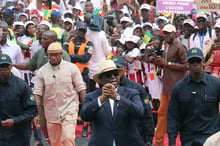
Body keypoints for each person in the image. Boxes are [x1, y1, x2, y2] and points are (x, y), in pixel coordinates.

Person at [80, 60, 145, 146]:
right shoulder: (92, 96)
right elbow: (85, 116)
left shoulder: (132, 93)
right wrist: (102, 99)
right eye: (109, 75)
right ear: (101, 79)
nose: (113, 77)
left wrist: (118, 98)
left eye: (116, 74)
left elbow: (139, 112)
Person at [34, 42, 86, 146]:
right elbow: (37, 93)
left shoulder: (72, 68)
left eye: (56, 55)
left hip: (69, 108)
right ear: (47, 55)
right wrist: (36, 113)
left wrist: (85, 109)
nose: (53, 57)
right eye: (51, 55)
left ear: (61, 54)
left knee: (68, 139)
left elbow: (81, 89)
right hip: (51, 111)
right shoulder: (42, 71)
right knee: (55, 143)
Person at [168, 48, 220, 146]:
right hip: (188, 138)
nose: (195, 64)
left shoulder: (216, 84)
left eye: (198, 61)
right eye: (192, 61)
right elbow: (173, 116)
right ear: (187, 63)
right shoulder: (179, 88)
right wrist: (172, 141)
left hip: (210, 137)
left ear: (203, 62)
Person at [154, 24, 189, 146]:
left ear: (175, 34)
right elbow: (167, 63)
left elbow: (187, 66)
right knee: (161, 113)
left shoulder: (180, 47)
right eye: (165, 33)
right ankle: (158, 143)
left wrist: (167, 63)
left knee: (179, 116)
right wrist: (161, 64)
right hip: (167, 86)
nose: (166, 35)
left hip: (177, 88)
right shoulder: (166, 44)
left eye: (169, 33)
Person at [112, 55, 155, 146]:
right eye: (112, 70)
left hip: (135, 136)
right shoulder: (105, 89)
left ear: (124, 69)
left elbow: (147, 113)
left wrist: (149, 139)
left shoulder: (138, 89)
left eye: (118, 69)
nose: (114, 73)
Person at [0, 54, 38, 146]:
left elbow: (33, 110)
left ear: (11, 67)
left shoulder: (22, 86)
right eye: (1, 67)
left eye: (6, 66)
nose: (4, 70)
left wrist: (15, 121)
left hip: (18, 135)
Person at [64, 21, 93, 137]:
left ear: (85, 32)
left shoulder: (89, 43)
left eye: (83, 31)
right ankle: (70, 124)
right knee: (69, 98)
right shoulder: (68, 41)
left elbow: (86, 57)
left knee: (85, 99)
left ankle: (86, 125)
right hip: (69, 73)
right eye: (79, 30)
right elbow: (64, 55)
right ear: (76, 30)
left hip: (83, 74)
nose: (81, 33)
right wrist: (75, 58)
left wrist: (72, 57)